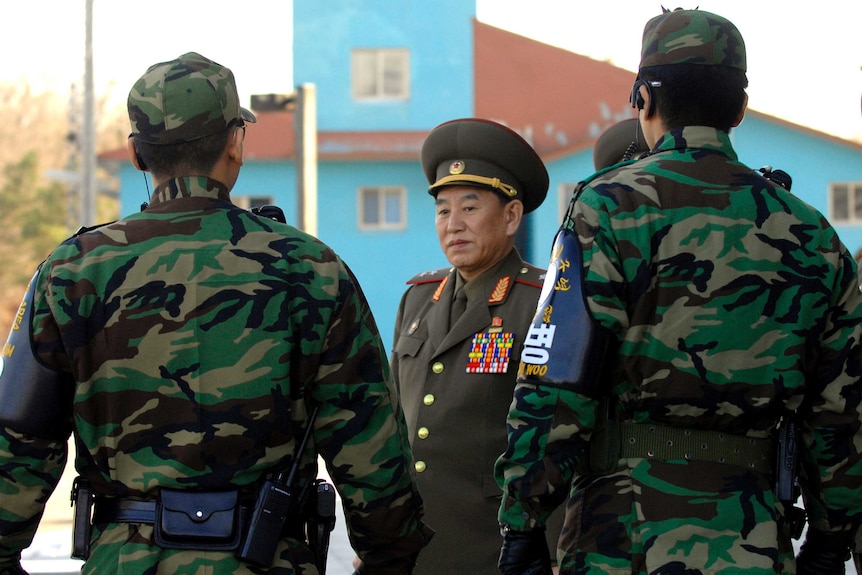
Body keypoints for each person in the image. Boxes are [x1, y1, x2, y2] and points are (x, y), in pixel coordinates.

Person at [0, 52, 431, 575]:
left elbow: (18, 437)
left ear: (137, 155)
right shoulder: (309, 269)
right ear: (236, 144)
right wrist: (389, 555)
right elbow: (368, 439)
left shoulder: (72, 271)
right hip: (268, 559)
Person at [495, 8, 862, 574]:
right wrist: (832, 540)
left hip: (621, 538)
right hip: (756, 539)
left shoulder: (609, 207)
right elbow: (843, 409)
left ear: (643, 99)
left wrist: (521, 520)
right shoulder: (812, 233)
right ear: (740, 108)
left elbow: (556, 375)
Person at [385, 117, 561, 575]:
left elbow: (559, 438)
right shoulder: (418, 298)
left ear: (511, 216)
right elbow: (392, 419)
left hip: (494, 546)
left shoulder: (542, 301)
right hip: (413, 545)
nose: (453, 224)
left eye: (469, 207)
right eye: (443, 210)